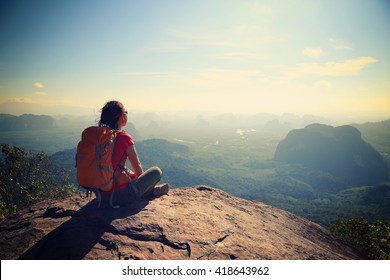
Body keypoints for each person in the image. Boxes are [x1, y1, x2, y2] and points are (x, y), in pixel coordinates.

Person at [98, 100, 169, 205]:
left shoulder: (99, 135)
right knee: (156, 171)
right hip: (119, 196)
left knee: (128, 172)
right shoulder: (123, 137)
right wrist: (143, 184)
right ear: (121, 116)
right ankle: (151, 191)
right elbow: (138, 169)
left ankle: (151, 190)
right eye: (126, 112)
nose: (127, 115)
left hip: (100, 195)